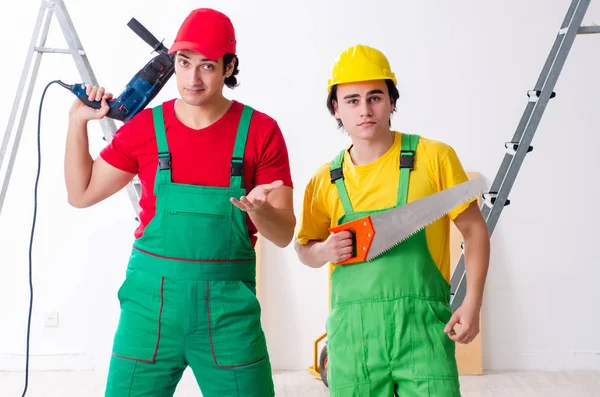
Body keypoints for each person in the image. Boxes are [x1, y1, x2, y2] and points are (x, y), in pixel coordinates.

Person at [64, 8, 295, 397]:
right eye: (184, 63)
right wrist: (77, 124)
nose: (192, 78)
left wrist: (262, 211)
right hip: (149, 308)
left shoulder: (261, 132)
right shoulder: (146, 128)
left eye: (207, 66)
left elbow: (285, 232)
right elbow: (81, 192)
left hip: (228, 313)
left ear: (229, 66)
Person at [294, 44, 490, 396]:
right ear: (336, 108)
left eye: (375, 97)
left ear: (392, 101)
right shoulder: (324, 179)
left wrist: (472, 302)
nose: (365, 110)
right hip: (354, 338)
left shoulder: (434, 157)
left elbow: (474, 230)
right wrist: (323, 251)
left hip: (423, 330)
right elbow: (304, 249)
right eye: (352, 100)